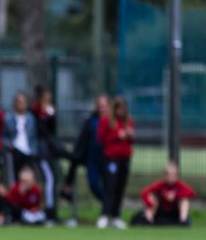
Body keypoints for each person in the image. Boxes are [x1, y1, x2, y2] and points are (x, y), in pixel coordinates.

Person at [65, 93, 109, 212]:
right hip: (92, 159)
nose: (102, 108)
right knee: (94, 184)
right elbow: (82, 141)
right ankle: (108, 204)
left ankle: (109, 210)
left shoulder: (112, 121)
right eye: (100, 105)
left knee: (110, 185)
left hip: (108, 158)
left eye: (104, 105)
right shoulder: (91, 121)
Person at [97, 96, 134, 229]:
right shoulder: (106, 120)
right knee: (110, 187)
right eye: (119, 108)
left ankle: (116, 216)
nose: (122, 111)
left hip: (125, 158)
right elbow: (101, 138)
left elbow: (132, 140)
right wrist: (117, 135)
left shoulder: (128, 121)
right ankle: (104, 215)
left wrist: (130, 135)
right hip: (112, 158)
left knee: (120, 188)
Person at [31, 85, 65, 223]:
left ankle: (53, 208)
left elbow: (52, 130)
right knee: (49, 179)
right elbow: (39, 130)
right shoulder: (35, 111)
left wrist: (51, 115)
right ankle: (49, 210)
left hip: (51, 150)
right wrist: (44, 115)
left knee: (56, 177)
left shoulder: (51, 111)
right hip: (41, 151)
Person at [132, 162, 195, 226]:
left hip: (174, 211)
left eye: (173, 175)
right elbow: (144, 193)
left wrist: (175, 196)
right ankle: (148, 220)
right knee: (152, 197)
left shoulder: (179, 185)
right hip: (160, 211)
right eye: (168, 175)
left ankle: (183, 221)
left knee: (184, 200)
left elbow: (191, 192)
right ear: (164, 175)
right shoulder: (160, 185)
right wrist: (150, 204)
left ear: (176, 175)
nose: (170, 177)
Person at [1, 92, 40, 184]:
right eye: (19, 102)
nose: (21, 105)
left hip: (29, 151)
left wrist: (34, 149)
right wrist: (8, 144)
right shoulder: (8, 118)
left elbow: (34, 136)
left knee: (29, 178)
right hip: (15, 150)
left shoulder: (31, 118)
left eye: (23, 102)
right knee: (15, 178)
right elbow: (3, 136)